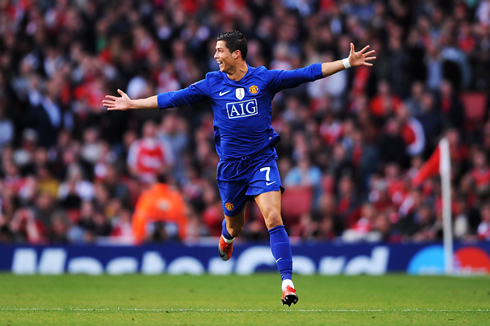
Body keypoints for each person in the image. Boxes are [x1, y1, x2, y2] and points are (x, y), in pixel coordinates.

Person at [103, 30, 375, 306]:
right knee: (236, 226)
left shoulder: (265, 79)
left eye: (220, 50)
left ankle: (287, 283)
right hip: (231, 170)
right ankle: (226, 235)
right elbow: (173, 97)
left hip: (261, 160)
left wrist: (346, 63)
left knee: (272, 217)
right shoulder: (212, 84)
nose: (215, 56)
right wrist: (133, 103)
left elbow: (306, 73)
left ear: (236, 53)